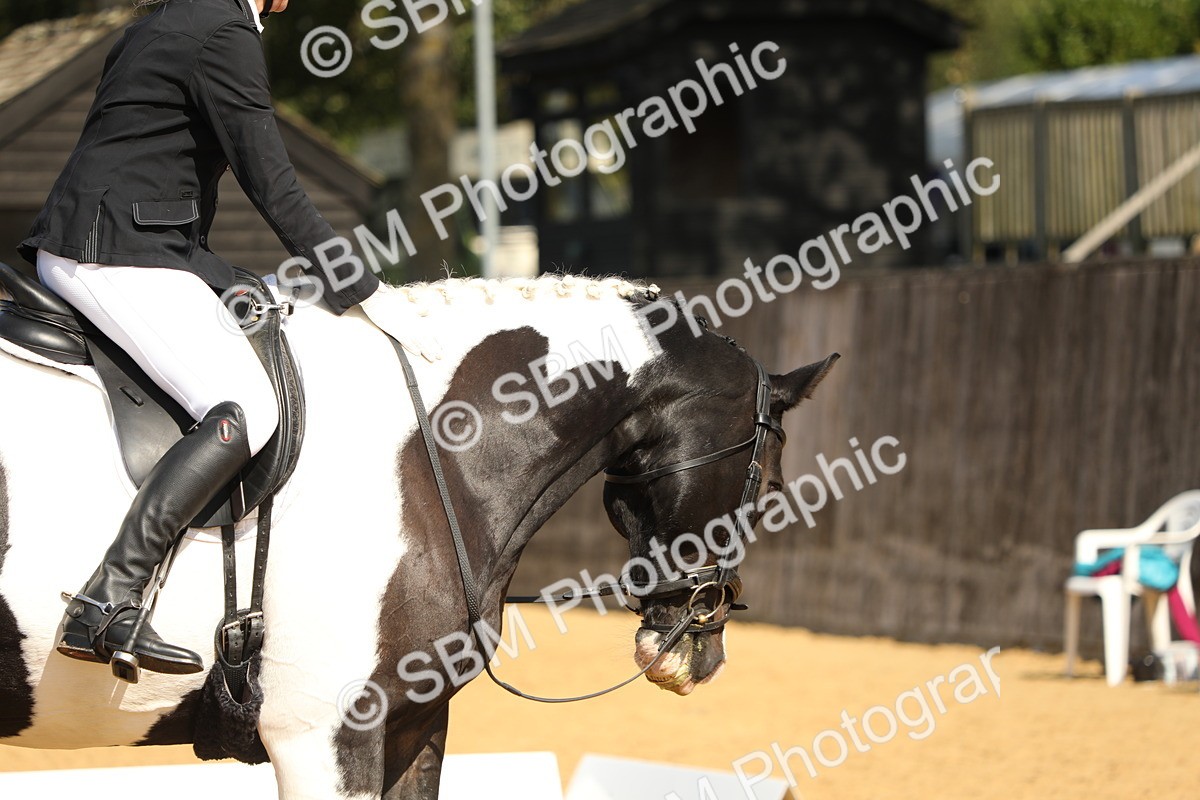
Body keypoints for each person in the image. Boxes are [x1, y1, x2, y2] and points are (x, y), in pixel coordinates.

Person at [20, 0, 424, 676]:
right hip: (116, 254)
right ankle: (110, 596)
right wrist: (360, 287)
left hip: (118, 242)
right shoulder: (223, 31)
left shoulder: (166, 19)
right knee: (247, 407)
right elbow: (272, 182)